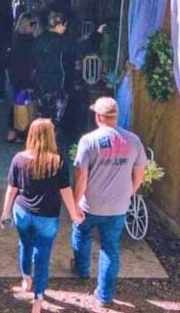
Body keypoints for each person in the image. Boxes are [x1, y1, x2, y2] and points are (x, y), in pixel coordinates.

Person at [0, 119, 84, 313]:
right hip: (47, 215)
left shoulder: (19, 159)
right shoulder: (58, 161)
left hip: (22, 212)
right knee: (43, 256)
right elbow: (66, 191)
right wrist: (73, 214)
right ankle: (38, 299)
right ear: (51, 136)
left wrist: (5, 212)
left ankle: (26, 278)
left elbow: (11, 190)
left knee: (25, 245)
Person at [70, 97, 147, 307]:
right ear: (116, 116)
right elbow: (139, 172)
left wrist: (75, 203)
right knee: (110, 248)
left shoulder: (89, 141)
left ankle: (82, 269)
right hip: (118, 206)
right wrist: (129, 192)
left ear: (98, 117)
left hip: (91, 203)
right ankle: (105, 295)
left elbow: (81, 176)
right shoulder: (133, 140)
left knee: (81, 232)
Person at [31, 11, 103, 127]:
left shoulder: (38, 40)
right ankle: (50, 140)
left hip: (40, 83)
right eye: (65, 25)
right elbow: (80, 48)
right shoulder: (61, 41)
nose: (65, 28)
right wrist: (97, 35)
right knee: (55, 118)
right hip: (58, 83)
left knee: (42, 115)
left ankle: (41, 140)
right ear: (59, 25)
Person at [6, 13, 39, 143]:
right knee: (26, 106)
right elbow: (31, 62)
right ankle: (20, 132)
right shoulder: (30, 41)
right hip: (25, 78)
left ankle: (13, 131)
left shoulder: (16, 38)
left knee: (18, 103)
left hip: (15, 76)